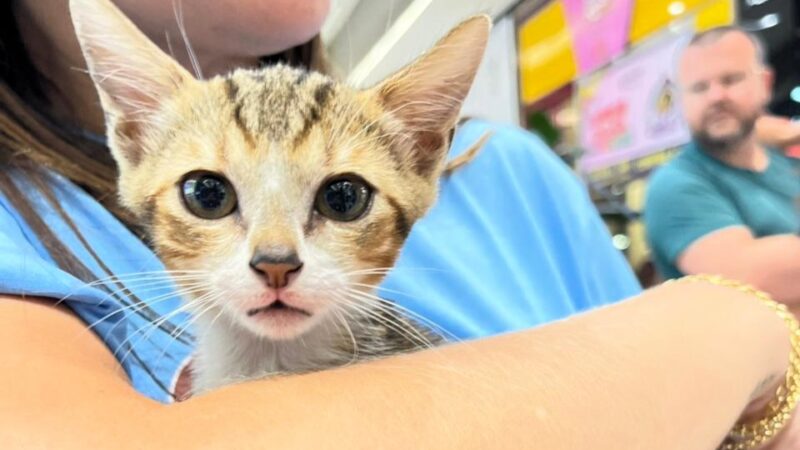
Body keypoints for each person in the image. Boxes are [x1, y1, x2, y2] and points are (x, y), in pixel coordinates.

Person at [1, 1, 798, 448]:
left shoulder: (516, 171)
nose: (275, 256)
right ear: (134, 136)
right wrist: (729, 323)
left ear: (421, 153)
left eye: (341, 200)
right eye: (209, 195)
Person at [644, 26, 800, 311]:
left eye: (731, 79)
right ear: (682, 101)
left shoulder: (787, 166)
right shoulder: (676, 184)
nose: (716, 96)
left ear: (765, 83)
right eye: (699, 87)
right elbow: (751, 280)